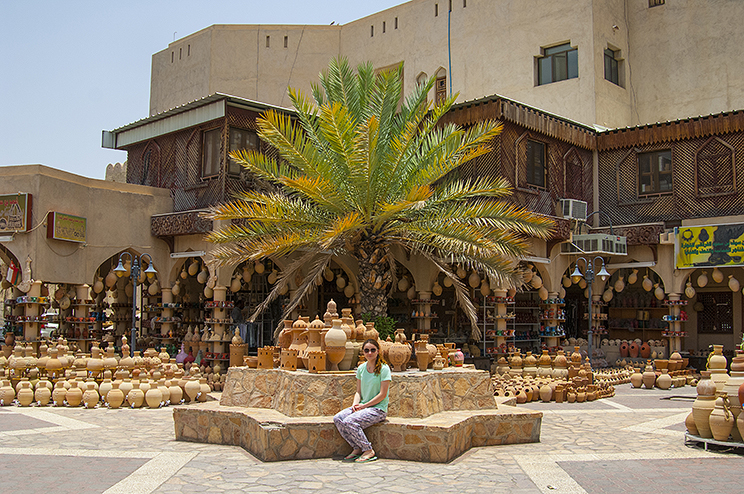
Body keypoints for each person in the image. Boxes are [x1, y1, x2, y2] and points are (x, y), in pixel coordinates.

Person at [333, 338, 391, 463]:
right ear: (363, 352)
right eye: (366, 350)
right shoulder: (361, 368)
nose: (369, 353)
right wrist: (355, 405)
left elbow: (382, 394)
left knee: (349, 421)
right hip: (363, 406)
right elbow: (358, 392)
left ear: (378, 351)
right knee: (338, 418)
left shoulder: (384, 369)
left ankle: (368, 449)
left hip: (377, 409)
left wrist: (364, 406)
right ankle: (356, 447)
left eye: (372, 350)